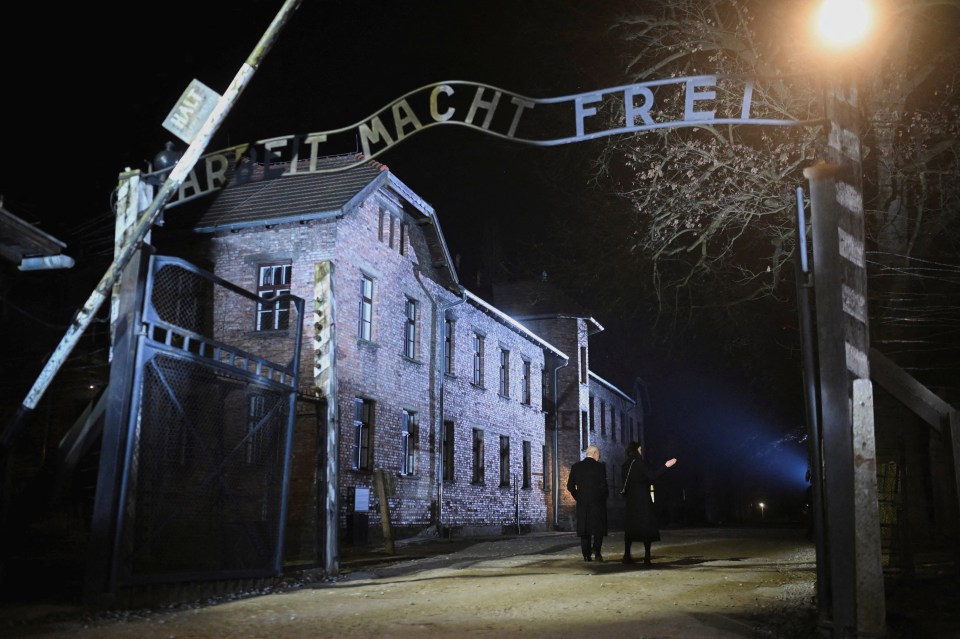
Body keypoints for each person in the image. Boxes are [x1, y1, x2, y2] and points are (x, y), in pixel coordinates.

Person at [621, 441, 677, 565]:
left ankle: (627, 555)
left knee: (630, 527)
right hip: (642, 499)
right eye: (640, 450)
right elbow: (652, 476)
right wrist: (666, 466)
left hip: (630, 500)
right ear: (637, 450)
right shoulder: (639, 463)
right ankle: (647, 556)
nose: (641, 452)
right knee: (647, 526)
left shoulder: (625, 465)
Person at [566, 444, 609, 561]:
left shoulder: (576, 467)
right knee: (598, 529)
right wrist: (603, 497)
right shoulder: (600, 467)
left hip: (582, 503)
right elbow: (604, 486)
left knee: (585, 529)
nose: (599, 457)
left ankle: (586, 555)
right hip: (597, 502)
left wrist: (578, 496)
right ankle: (597, 553)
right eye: (598, 454)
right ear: (595, 454)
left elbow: (570, 486)